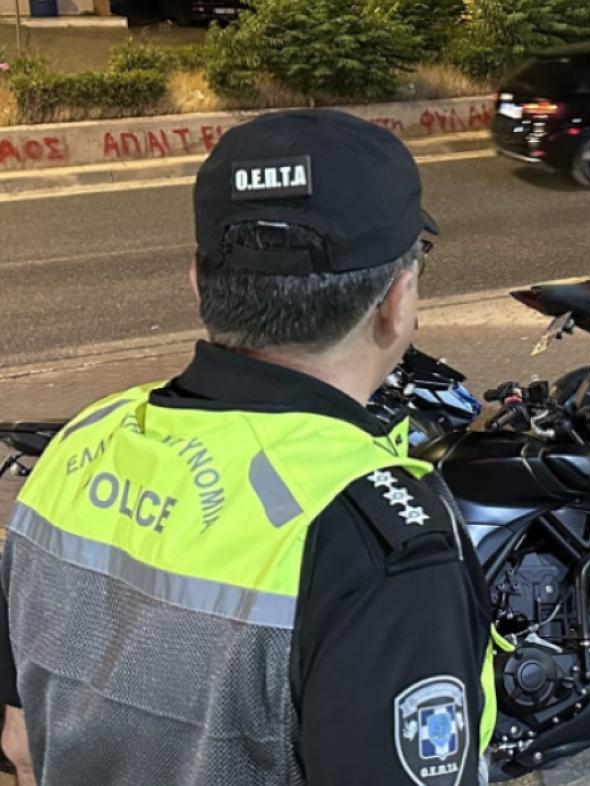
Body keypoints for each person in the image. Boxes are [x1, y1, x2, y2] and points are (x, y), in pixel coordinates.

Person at [0, 109, 495, 786]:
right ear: (397, 301)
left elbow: (22, 744)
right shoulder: (374, 537)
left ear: (197, 281)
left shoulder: (83, 440)